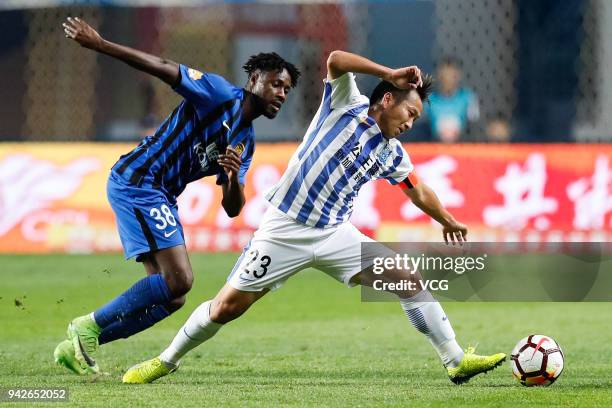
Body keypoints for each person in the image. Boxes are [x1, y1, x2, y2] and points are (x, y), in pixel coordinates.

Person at [122, 50, 505, 385]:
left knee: (406, 277)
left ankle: (455, 361)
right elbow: (336, 59)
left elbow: (417, 189)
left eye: (416, 118)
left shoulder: (392, 153)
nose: (410, 123)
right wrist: (388, 70)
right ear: (387, 98)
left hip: (336, 235)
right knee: (227, 307)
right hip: (285, 230)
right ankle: (165, 361)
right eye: (409, 112)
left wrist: (447, 219)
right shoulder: (345, 104)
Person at [53, 17, 300, 375]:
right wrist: (101, 44)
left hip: (160, 193)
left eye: (287, 89)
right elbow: (166, 68)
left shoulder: (245, 143)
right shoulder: (218, 94)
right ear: (253, 80)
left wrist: (231, 177)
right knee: (181, 279)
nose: (281, 93)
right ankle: (85, 326)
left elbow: (233, 208)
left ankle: (81, 342)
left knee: (173, 296)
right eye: (276, 83)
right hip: (139, 179)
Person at [426, 57, 479, 142]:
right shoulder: (429, 100)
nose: (448, 79)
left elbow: (474, 126)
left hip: (462, 146)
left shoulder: (468, 98)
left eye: (451, 75)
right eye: (445, 75)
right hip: (435, 147)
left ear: (458, 76)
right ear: (439, 76)